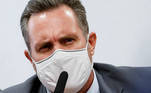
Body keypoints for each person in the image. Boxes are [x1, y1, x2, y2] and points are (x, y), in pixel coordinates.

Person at [2, 0, 151, 93]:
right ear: (31, 59)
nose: (59, 55)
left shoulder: (145, 84)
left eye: (68, 40)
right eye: (45, 47)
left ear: (90, 43)